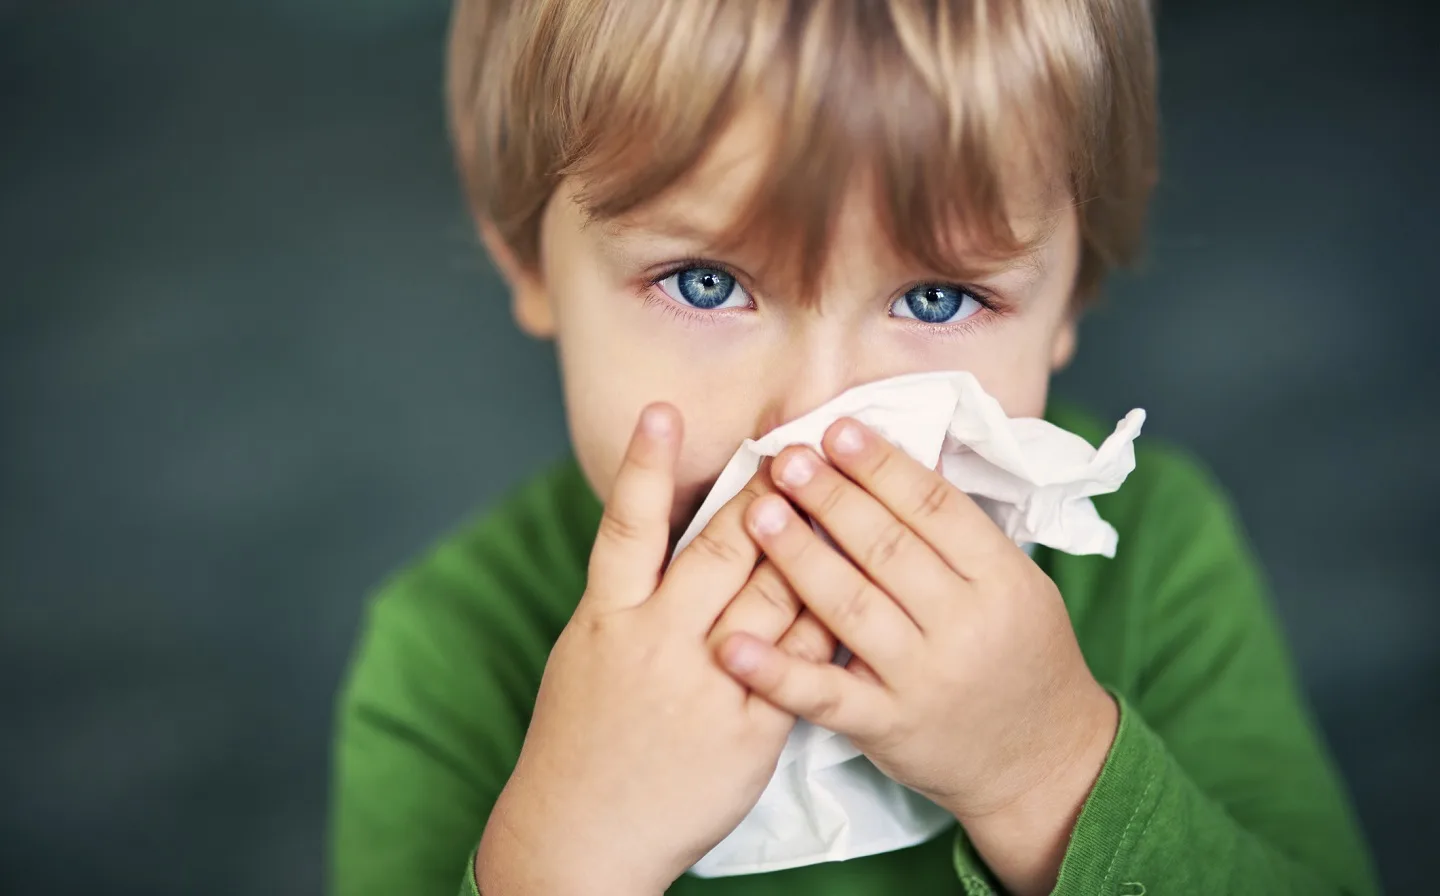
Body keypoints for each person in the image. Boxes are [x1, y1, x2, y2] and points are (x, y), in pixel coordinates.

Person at [329, 1, 1379, 894]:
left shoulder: (1153, 555)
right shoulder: (450, 645)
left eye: (937, 297)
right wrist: (566, 850)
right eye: (706, 282)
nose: (814, 426)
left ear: (1075, 292)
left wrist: (1046, 770)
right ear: (527, 256)